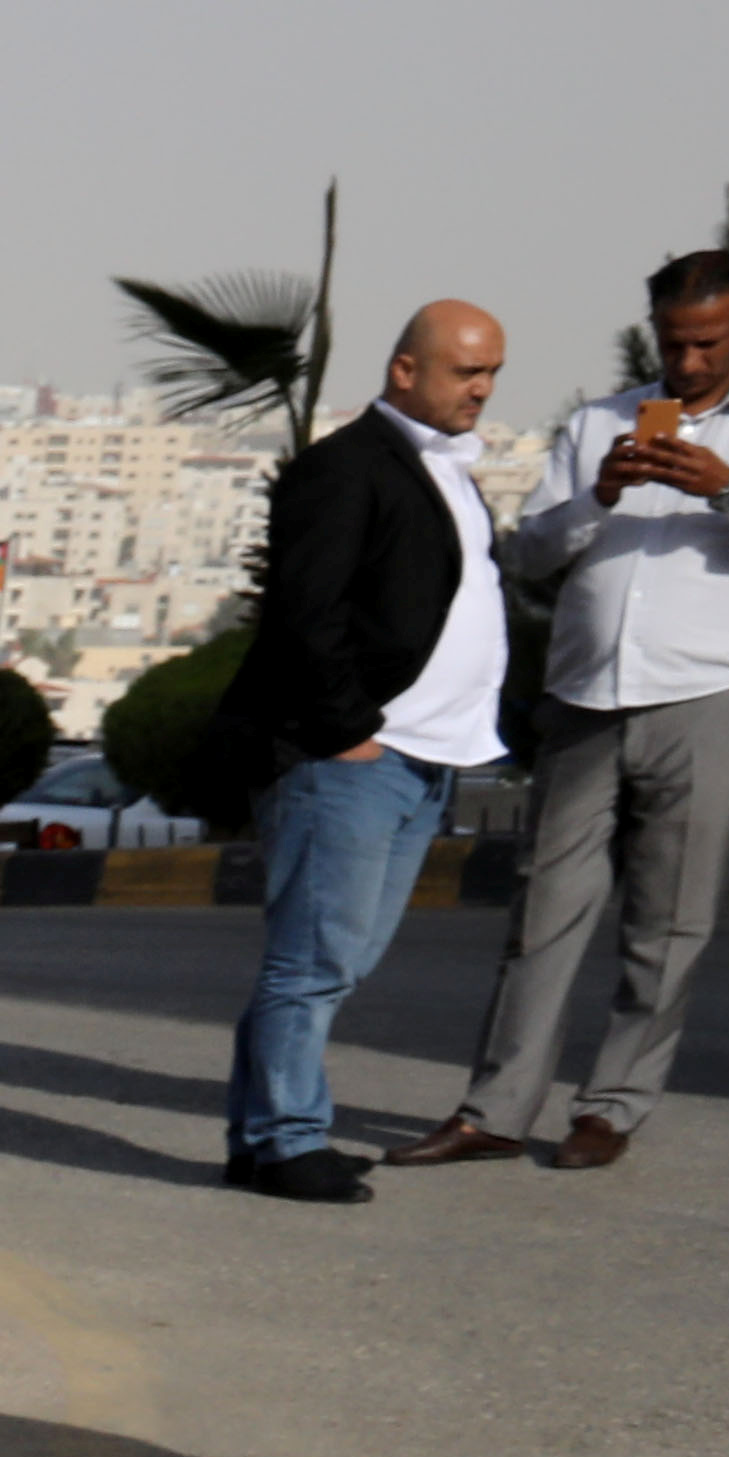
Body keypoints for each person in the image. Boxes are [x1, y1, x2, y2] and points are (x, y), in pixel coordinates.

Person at [387, 251, 729, 1177]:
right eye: (674, 343)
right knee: (542, 909)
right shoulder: (599, 421)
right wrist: (602, 495)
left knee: (668, 922)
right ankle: (495, 1109)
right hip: (587, 695)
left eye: (708, 342)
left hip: (712, 693)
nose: (690, 362)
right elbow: (532, 554)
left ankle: (612, 1106)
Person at [208, 297, 511, 1203]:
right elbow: (307, 613)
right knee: (312, 960)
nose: (483, 389)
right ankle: (287, 1140)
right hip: (351, 760)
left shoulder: (447, 468)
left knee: (333, 960)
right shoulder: (345, 469)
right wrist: (348, 735)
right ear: (405, 370)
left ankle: (262, 1139)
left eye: (492, 372)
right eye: (466, 371)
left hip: (425, 758)